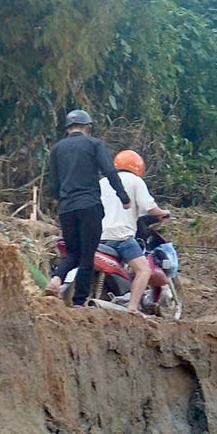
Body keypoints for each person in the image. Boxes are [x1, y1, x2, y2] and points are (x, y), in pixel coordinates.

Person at [45, 109, 127, 307]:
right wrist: (123, 196)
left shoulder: (57, 149)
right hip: (89, 206)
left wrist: (63, 200)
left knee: (73, 253)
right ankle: (80, 301)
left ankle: (56, 280)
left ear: (68, 128)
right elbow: (109, 171)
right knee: (87, 256)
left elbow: (53, 185)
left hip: (66, 209)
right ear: (87, 127)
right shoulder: (94, 144)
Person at [100, 150, 163, 312]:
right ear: (138, 167)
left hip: (99, 237)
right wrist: (162, 213)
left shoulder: (103, 182)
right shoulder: (135, 181)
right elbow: (149, 207)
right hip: (122, 238)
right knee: (144, 270)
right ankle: (133, 307)